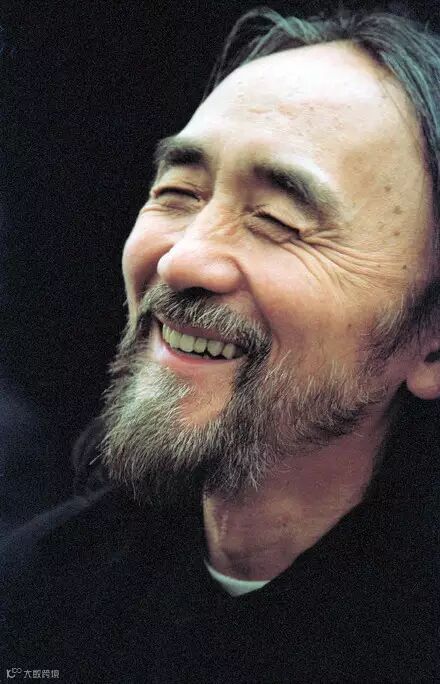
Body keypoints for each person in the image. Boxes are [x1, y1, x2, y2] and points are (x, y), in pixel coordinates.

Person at [2, 6, 440, 682]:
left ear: (431, 345)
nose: (181, 259)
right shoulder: (36, 596)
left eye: (278, 220)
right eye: (178, 192)